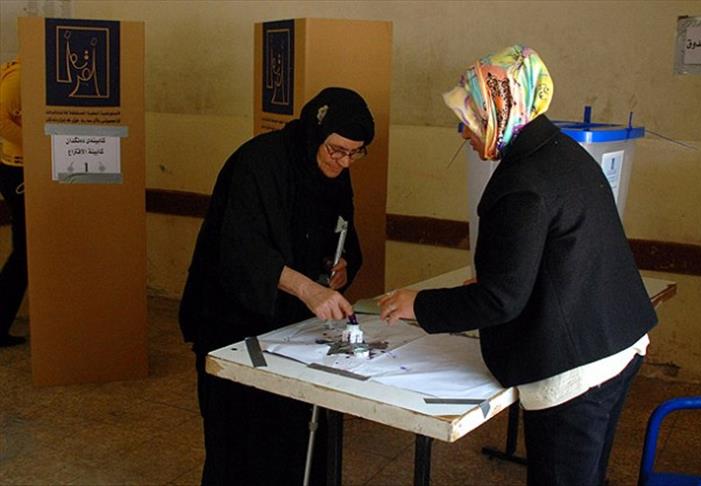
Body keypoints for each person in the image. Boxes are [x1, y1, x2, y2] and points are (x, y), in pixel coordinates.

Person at [378, 45, 657, 486]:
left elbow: (501, 300)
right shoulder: (561, 151)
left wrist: (419, 304)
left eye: (470, 118)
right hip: (616, 341)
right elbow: (557, 254)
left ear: (500, 112)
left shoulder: (521, 183)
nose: (463, 132)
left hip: (577, 368)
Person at [179, 87, 375, 485]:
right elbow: (242, 251)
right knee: (240, 442)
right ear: (315, 133)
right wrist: (308, 289)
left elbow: (342, 233)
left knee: (295, 436)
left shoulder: (335, 173)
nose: (344, 162)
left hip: (290, 328)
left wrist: (341, 266)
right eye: (337, 150)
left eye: (356, 153)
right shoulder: (258, 163)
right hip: (233, 322)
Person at [0, 58, 27, 348]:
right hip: (18, 170)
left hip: (27, 169)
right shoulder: (19, 76)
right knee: (24, 254)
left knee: (26, 253)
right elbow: (1, 121)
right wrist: (38, 144)